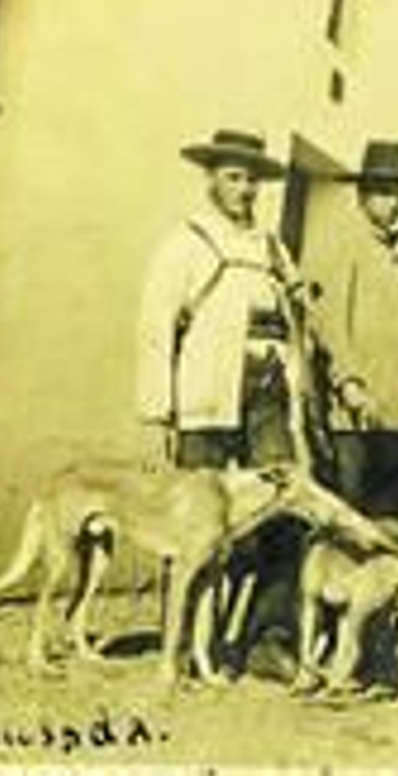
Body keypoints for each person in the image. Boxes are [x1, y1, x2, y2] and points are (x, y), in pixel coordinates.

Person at [134, 128, 309, 667]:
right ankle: (182, 642)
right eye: (234, 177)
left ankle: (266, 638)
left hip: (267, 394)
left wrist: (297, 392)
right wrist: (158, 407)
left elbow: (294, 320)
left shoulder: (272, 248)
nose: (246, 189)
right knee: (194, 520)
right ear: (211, 179)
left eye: (253, 179)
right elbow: (156, 324)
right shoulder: (185, 241)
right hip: (205, 393)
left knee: (283, 506)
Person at [307, 138, 398, 523]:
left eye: (397, 194)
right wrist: (349, 383)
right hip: (358, 415)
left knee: (389, 520)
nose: (392, 203)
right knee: (350, 519)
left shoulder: (397, 255)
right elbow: (327, 320)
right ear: (362, 193)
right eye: (382, 193)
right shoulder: (345, 243)